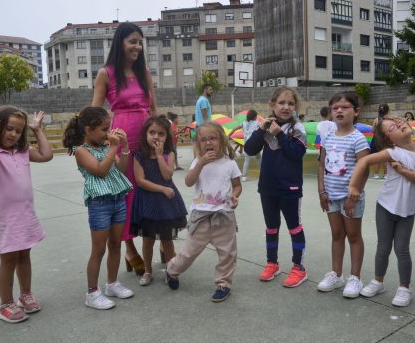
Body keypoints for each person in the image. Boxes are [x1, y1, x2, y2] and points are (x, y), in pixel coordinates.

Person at [347, 115, 415, 307]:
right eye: (394, 127)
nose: (401, 124)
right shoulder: (392, 152)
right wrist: (353, 187)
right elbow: (363, 162)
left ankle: (404, 288)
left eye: (401, 122)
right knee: (383, 247)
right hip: (386, 207)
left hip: (408, 210)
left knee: (402, 249)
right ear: (389, 139)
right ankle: (378, 281)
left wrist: (403, 171)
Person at [92, 22, 157, 275]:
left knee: (150, 188)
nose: (137, 47)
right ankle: (129, 248)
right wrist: (92, 145)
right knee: (127, 193)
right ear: (120, 42)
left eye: (140, 42)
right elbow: (95, 113)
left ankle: (156, 238)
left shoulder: (145, 73)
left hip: (147, 137)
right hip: (122, 138)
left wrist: (162, 139)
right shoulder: (105, 73)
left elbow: (153, 109)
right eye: (132, 41)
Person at [0, 107, 52, 323]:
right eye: (9, 128)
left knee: (24, 257)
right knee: (8, 260)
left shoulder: (21, 151)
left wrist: (37, 130)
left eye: (18, 131)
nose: (13, 134)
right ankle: (5, 304)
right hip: (5, 219)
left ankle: (25, 294)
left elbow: (46, 155)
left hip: (25, 215)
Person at [63, 106, 135, 310]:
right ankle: (92, 292)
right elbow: (100, 171)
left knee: (115, 244)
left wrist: (125, 147)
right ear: (87, 129)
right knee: (98, 249)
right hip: (99, 204)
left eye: (109, 128)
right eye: (104, 129)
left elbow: (120, 169)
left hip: (118, 200)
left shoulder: (106, 145)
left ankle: (112, 283)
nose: (108, 133)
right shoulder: (81, 151)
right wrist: (113, 148)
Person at [165, 122, 242, 302]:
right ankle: (172, 270)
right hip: (200, 214)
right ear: (198, 144)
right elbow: (189, 182)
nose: (208, 143)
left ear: (221, 140)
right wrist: (200, 163)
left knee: (228, 253)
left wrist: (235, 197)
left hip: (224, 214)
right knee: (188, 252)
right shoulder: (196, 162)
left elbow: (237, 186)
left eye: (212, 138)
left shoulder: (230, 163)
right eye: (203, 140)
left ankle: (224, 284)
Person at [244, 87, 308, 288]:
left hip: (289, 188)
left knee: (294, 227)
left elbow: (296, 154)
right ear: (272, 105)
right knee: (271, 228)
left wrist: (279, 134)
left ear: (295, 106)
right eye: (281, 103)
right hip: (268, 188)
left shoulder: (298, 128)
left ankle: (299, 267)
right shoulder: (266, 126)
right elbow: (249, 149)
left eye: (290, 103)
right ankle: (272, 263)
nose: (286, 107)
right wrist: (262, 129)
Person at [317, 91, 370, 298]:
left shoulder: (358, 139)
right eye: (335, 108)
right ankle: (336, 275)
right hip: (331, 196)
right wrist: (322, 190)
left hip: (350, 199)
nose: (339, 110)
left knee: (354, 236)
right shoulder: (328, 136)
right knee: (337, 235)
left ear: (356, 112)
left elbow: (364, 169)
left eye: (345, 107)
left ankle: (354, 277)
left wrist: (353, 194)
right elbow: (322, 164)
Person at [130, 116, 187, 286]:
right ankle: (148, 271)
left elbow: (167, 175)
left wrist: (160, 155)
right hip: (148, 202)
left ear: (167, 137)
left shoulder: (169, 153)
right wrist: (162, 189)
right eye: (152, 132)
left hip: (166, 205)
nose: (156, 136)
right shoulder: (139, 155)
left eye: (161, 134)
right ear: (145, 134)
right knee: (147, 240)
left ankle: (171, 270)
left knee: (167, 240)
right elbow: (140, 181)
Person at [228, 109, 262, 182]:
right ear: (255, 117)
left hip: (247, 144)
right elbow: (264, 128)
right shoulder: (257, 123)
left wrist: (229, 135)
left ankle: (244, 177)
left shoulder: (244, 123)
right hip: (255, 143)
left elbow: (235, 128)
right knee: (259, 157)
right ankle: (263, 174)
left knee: (247, 160)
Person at [370, 103, 389, 179]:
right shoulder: (389, 119)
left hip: (376, 139)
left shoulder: (376, 119)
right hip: (386, 139)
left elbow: (373, 130)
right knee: (385, 157)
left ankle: (376, 174)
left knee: (376, 157)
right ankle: (386, 174)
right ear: (387, 110)